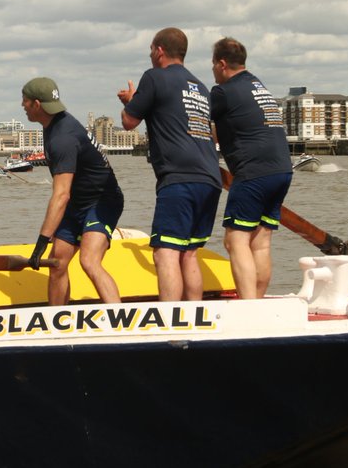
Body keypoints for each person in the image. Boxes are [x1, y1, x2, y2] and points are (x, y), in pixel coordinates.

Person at [117, 27, 222, 301]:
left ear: (159, 50)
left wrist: (130, 101)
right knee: (189, 253)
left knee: (165, 252)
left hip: (179, 178)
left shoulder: (154, 77)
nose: (151, 55)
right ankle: (195, 317)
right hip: (210, 178)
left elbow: (129, 122)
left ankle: (170, 321)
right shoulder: (200, 87)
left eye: (151, 50)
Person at [22, 77, 124, 306]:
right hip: (77, 202)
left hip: (103, 201)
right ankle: (55, 320)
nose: (22, 105)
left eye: (25, 101)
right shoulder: (53, 124)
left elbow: (61, 195)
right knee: (57, 262)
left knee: (89, 261)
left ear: (37, 104)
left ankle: (120, 319)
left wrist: (40, 242)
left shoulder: (62, 138)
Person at [209, 37, 293, 299]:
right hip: (281, 170)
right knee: (260, 242)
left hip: (253, 172)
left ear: (222, 64)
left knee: (235, 240)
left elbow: (196, 121)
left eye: (213, 65)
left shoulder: (223, 92)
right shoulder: (257, 85)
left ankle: (248, 308)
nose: (212, 70)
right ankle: (257, 303)